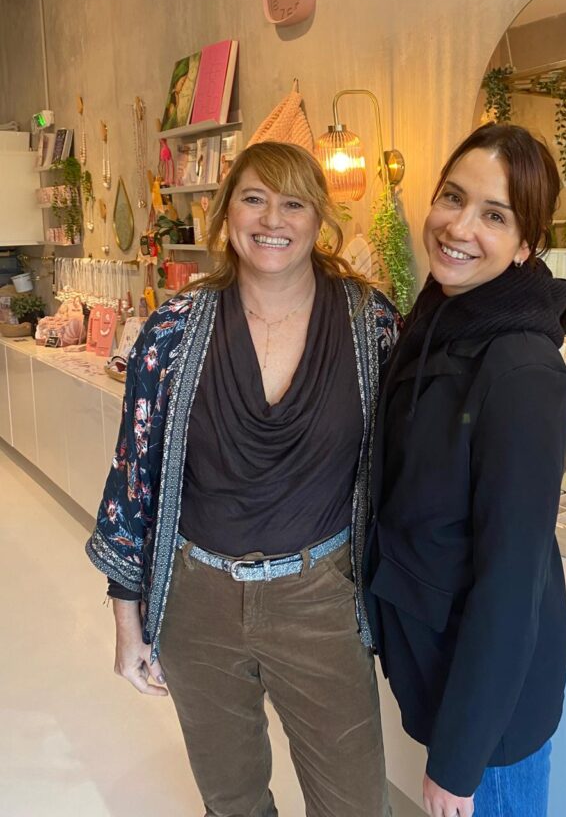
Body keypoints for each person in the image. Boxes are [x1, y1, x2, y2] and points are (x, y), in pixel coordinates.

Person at [86, 141, 400, 817]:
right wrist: (127, 618)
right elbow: (133, 478)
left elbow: (407, 463)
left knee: (355, 804)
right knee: (232, 803)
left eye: (293, 202)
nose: (272, 219)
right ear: (226, 211)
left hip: (320, 598)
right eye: (254, 198)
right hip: (199, 601)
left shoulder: (369, 324)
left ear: (320, 219)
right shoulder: (174, 329)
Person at [365, 122, 566, 817]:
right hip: (441, 672)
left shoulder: (520, 367)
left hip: (490, 717)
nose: (458, 226)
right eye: (452, 197)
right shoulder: (442, 317)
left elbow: (513, 580)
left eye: (494, 215)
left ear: (527, 245)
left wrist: (459, 761)